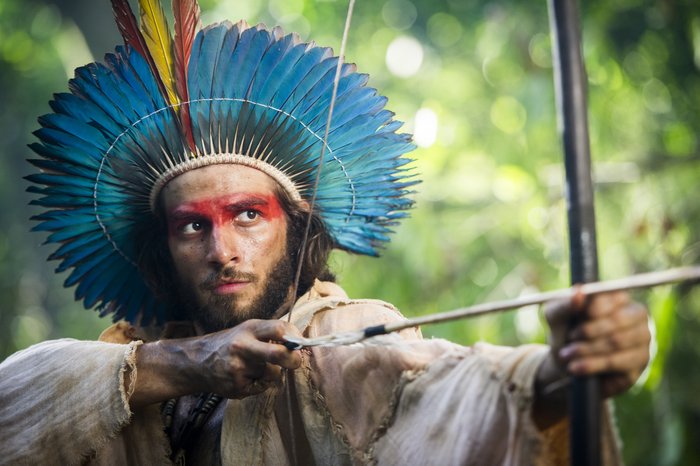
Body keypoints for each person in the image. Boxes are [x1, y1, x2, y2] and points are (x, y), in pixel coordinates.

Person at [0, 1, 650, 464]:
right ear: (161, 250)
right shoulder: (132, 362)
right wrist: (187, 363)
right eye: (192, 226)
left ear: (298, 229)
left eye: (248, 215)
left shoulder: (340, 337)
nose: (222, 250)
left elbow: (452, 392)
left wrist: (564, 369)